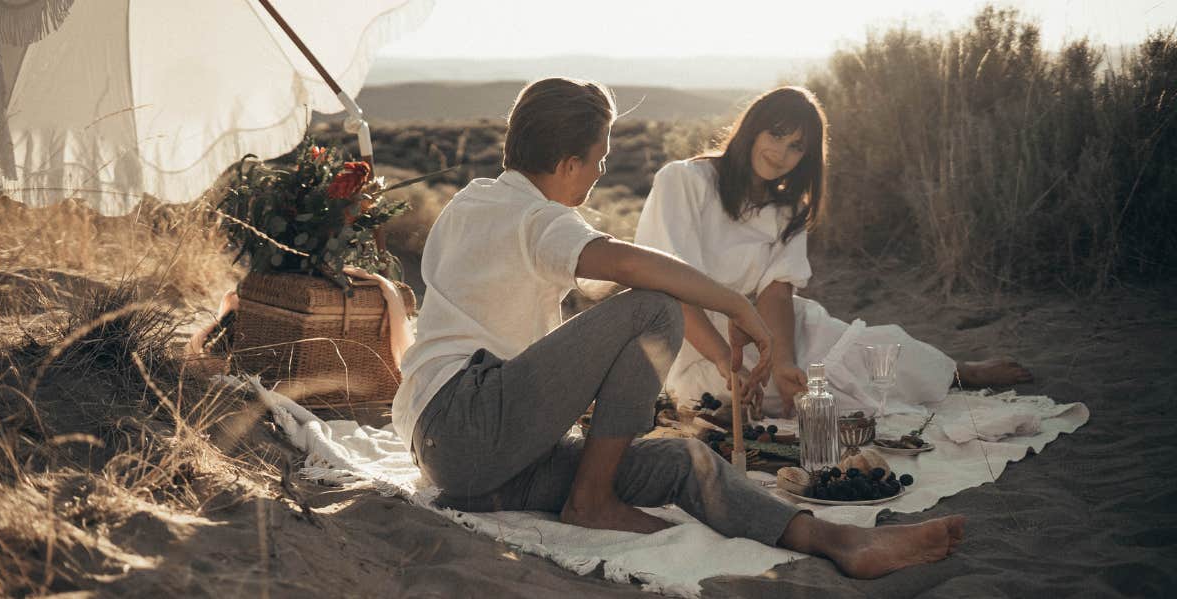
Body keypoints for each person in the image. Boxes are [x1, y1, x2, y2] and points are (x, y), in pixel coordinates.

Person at [390, 77, 963, 578]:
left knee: (678, 459)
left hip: (479, 463)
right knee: (654, 307)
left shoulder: (473, 202)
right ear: (567, 165)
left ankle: (838, 541)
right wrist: (737, 309)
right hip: (465, 420)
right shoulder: (534, 217)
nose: (602, 170)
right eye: (599, 158)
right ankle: (591, 500)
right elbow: (631, 267)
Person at [634, 86, 1033, 418]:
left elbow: (776, 292)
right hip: (692, 336)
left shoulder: (786, 208)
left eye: (796, 147)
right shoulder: (685, 180)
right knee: (751, 398)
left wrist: (783, 360)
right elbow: (670, 284)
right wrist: (725, 359)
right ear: (752, 129)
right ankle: (938, 377)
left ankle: (955, 372)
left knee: (856, 360)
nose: (781, 154)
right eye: (775, 135)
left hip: (770, 332)